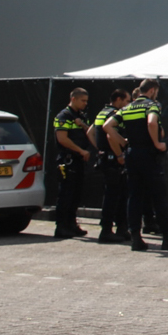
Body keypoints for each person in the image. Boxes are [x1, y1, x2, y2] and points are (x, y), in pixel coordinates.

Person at [107, 79, 168, 253]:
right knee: (159, 197)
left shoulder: (127, 108)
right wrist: (157, 143)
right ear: (152, 90)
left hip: (132, 155)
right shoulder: (151, 105)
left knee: (134, 197)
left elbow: (108, 126)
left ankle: (136, 237)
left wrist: (124, 143)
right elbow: (151, 122)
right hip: (149, 155)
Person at [87, 88, 131, 242]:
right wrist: (119, 153)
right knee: (115, 196)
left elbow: (90, 133)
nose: (128, 104)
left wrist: (100, 148)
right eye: (126, 101)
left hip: (105, 158)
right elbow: (110, 135)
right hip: (114, 160)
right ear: (118, 99)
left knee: (114, 194)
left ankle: (120, 228)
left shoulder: (102, 112)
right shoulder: (115, 115)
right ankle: (107, 230)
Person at [49, 88, 92, 239]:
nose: (85, 104)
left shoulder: (81, 116)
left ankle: (72, 224)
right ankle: (61, 226)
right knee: (66, 194)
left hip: (79, 160)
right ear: (73, 99)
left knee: (76, 194)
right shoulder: (64, 116)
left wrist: (82, 125)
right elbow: (62, 139)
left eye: (86, 101)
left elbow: (89, 133)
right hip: (67, 159)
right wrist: (81, 150)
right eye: (83, 101)